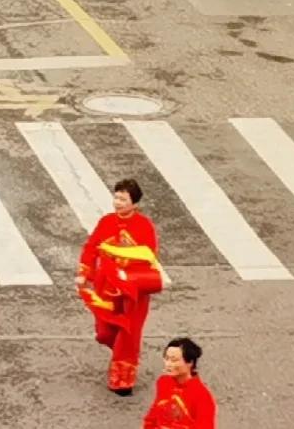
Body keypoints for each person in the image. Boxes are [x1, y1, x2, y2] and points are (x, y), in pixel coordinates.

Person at [80, 177, 164, 396]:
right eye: (116, 197)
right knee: (104, 332)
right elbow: (91, 248)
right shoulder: (106, 222)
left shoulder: (144, 226)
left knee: (128, 333)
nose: (118, 203)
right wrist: (83, 273)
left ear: (134, 204)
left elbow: (149, 255)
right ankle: (120, 352)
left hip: (133, 291)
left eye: (123, 199)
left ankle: (123, 381)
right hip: (106, 288)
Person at [140, 338, 215, 429]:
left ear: (190, 362)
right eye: (166, 359)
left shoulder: (202, 397)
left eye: (174, 360)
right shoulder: (164, 382)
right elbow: (153, 415)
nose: (168, 364)